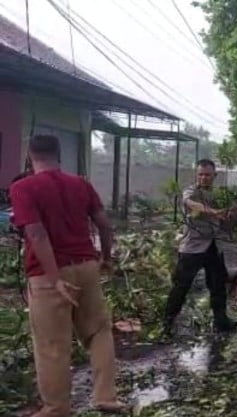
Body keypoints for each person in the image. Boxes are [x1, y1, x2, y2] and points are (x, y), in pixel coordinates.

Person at [10, 134, 125, 416]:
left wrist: (54, 278)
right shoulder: (81, 184)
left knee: (53, 345)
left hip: (49, 275)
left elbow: (36, 233)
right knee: (98, 331)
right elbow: (104, 225)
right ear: (59, 155)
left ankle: (56, 408)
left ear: (30, 155)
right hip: (86, 266)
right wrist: (106, 258)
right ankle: (105, 397)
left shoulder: (23, 187)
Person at [162, 159, 237, 335]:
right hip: (192, 247)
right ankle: (167, 324)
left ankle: (221, 321)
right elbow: (191, 204)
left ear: (215, 175)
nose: (204, 178)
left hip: (213, 245)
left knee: (217, 285)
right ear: (196, 175)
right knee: (181, 287)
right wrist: (214, 212)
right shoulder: (191, 191)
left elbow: (233, 210)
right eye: (200, 174)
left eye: (207, 174)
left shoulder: (217, 195)